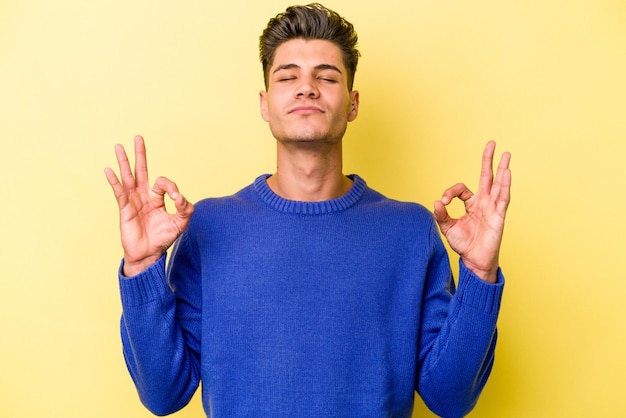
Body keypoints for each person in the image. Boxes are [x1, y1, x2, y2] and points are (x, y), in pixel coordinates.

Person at [105, 3, 511, 417]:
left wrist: (480, 274)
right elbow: (163, 394)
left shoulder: (410, 230)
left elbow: (451, 398)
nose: (306, 88)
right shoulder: (209, 225)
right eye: (288, 76)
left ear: (353, 104)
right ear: (265, 104)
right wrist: (141, 266)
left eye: (326, 76)